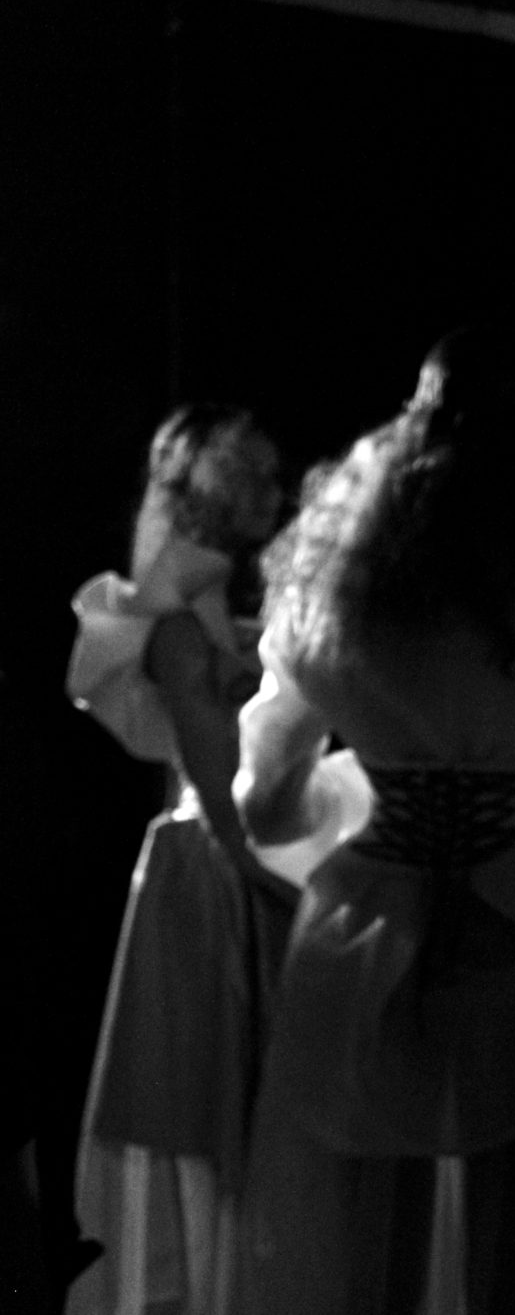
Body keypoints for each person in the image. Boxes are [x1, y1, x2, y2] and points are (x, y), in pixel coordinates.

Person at [227, 329, 515, 1315]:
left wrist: (362, 793)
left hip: (367, 932)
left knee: (368, 1260)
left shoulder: (334, 610)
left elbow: (264, 808)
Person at [61, 405, 293, 1315]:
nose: (277, 490)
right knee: (202, 1111)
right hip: (216, 869)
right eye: (258, 474)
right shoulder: (181, 627)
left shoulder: (217, 612)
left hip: (243, 854)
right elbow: (221, 790)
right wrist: (284, 886)